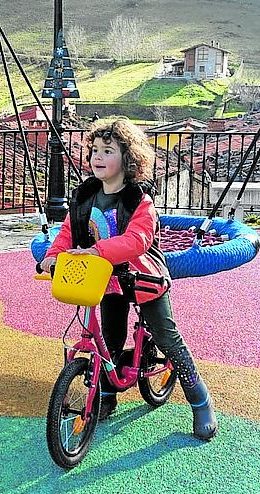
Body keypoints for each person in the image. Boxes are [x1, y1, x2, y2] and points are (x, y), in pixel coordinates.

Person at [39, 118, 217, 441]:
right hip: (107, 279)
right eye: (94, 150)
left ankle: (200, 399)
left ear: (128, 159)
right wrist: (53, 255)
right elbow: (68, 232)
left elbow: (137, 240)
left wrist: (96, 251)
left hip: (142, 276)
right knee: (108, 335)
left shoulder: (139, 202)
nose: (98, 156)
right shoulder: (85, 197)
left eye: (108, 151)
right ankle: (106, 395)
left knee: (166, 336)